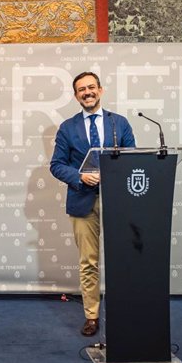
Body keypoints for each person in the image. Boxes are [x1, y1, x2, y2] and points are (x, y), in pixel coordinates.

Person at [50, 72, 136, 337]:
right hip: (82, 201)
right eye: (80, 90)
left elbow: (133, 158)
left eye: (90, 87)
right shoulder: (67, 127)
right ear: (76, 96)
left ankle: (126, 312)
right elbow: (56, 165)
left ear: (100, 89)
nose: (86, 93)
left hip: (118, 201)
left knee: (123, 259)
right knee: (88, 262)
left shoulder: (119, 124)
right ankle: (92, 316)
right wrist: (79, 176)